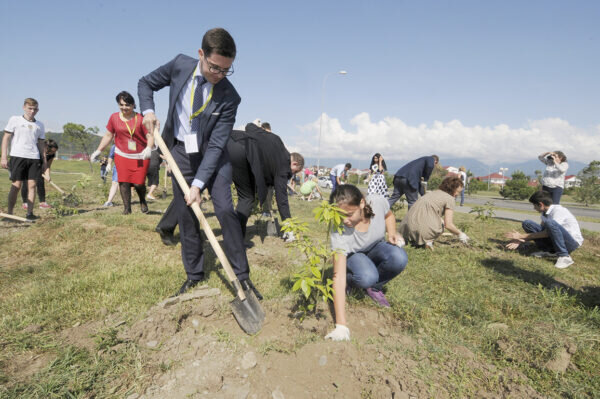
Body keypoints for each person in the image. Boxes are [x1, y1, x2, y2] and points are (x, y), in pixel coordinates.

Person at [138, 28, 260, 298]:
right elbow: (145, 83)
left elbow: (217, 145)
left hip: (214, 158)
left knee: (226, 211)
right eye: (215, 67)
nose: (219, 75)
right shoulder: (180, 66)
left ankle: (242, 276)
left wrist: (198, 184)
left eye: (226, 70)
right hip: (180, 152)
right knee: (187, 215)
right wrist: (147, 111)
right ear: (201, 54)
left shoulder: (230, 97)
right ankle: (194, 275)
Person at [325, 185, 408, 341]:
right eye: (340, 215)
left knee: (399, 258)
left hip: (375, 246)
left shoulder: (377, 202)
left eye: (349, 214)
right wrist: (341, 325)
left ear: (362, 204)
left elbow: (389, 215)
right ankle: (355, 281)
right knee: (366, 277)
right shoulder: (340, 229)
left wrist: (391, 233)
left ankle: (374, 287)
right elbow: (338, 277)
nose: (345, 220)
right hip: (354, 254)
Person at [227, 122, 304, 240]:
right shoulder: (284, 166)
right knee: (247, 198)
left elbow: (249, 126)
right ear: (294, 163)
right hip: (242, 154)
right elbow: (282, 199)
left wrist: (262, 135)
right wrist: (289, 226)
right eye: (294, 171)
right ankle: (236, 240)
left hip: (229, 140)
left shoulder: (276, 139)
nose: (291, 174)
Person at [91, 91, 154, 214]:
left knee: (138, 183)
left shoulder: (141, 118)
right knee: (123, 181)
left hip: (141, 155)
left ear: (133, 105)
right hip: (122, 155)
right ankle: (127, 209)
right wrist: (99, 150)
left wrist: (149, 148)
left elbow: (150, 135)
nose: (124, 108)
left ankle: (142, 200)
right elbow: (109, 135)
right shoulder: (114, 118)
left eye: (128, 105)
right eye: (122, 105)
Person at [505, 191, 583, 269]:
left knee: (550, 223)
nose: (534, 208)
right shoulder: (544, 212)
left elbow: (546, 233)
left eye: (534, 205)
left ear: (541, 204)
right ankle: (549, 251)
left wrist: (521, 236)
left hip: (571, 243)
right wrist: (520, 239)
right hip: (557, 239)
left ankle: (564, 256)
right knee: (527, 223)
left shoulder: (559, 211)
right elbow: (541, 231)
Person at [1, 98, 47, 220]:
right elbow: (6, 138)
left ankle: (30, 213)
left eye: (35, 109)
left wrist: (44, 161)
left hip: (34, 157)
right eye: (30, 108)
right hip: (17, 156)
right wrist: (4, 157)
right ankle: (9, 214)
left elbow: (41, 144)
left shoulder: (40, 125)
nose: (32, 111)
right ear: (24, 107)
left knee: (32, 185)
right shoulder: (15, 120)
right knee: (16, 185)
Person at [398, 176, 470, 249]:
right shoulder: (450, 199)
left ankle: (412, 240)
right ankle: (427, 241)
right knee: (441, 224)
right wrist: (460, 234)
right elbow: (448, 224)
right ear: (453, 189)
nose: (458, 195)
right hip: (422, 231)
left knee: (438, 219)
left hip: (404, 229)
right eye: (458, 192)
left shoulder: (431, 193)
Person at [20, 139, 58, 210]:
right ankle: (25, 203)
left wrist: (47, 175)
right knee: (26, 183)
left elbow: (48, 165)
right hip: (29, 165)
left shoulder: (52, 155)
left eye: (54, 151)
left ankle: (42, 203)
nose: (53, 153)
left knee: (40, 182)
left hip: (40, 167)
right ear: (46, 147)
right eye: (52, 151)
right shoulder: (37, 150)